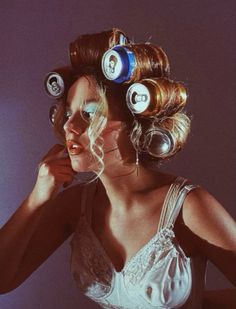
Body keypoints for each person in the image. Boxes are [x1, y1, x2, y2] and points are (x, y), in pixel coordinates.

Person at [0, 28, 235, 309]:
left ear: (132, 124)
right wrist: (38, 198)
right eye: (69, 113)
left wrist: (201, 304)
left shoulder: (188, 207)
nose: (69, 127)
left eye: (89, 114)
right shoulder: (77, 206)